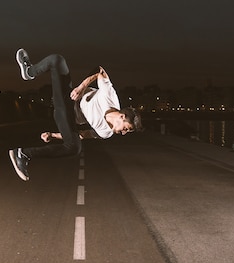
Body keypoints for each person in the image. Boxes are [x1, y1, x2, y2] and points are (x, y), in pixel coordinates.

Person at [9, 48, 142, 181]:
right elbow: (99, 70)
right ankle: (29, 72)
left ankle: (24, 154)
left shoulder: (106, 132)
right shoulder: (111, 97)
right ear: (122, 116)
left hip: (67, 116)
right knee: (57, 59)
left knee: (74, 146)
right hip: (69, 96)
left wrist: (53, 135)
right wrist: (81, 87)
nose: (123, 133)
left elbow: (81, 135)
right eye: (126, 128)